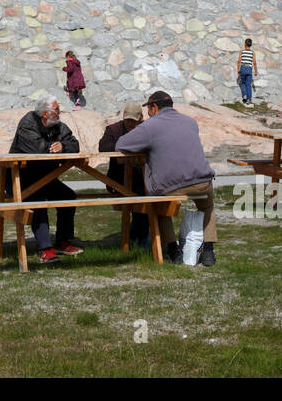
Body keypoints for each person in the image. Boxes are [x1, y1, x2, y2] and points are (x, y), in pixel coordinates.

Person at [115, 90, 218, 267]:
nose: (148, 114)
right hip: (202, 180)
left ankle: (173, 250)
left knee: (160, 208)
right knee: (207, 207)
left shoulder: (150, 126)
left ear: (154, 107)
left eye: (148, 109)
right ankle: (208, 251)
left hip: (171, 186)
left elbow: (121, 144)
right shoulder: (190, 122)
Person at [9, 97, 83, 262]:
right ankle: (45, 248)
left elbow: (75, 145)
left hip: (45, 179)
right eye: (56, 110)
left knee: (68, 196)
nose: (59, 113)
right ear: (45, 113)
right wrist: (56, 147)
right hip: (20, 180)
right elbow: (37, 150)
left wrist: (63, 147)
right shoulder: (27, 124)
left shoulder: (58, 125)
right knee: (38, 200)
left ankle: (63, 241)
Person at [100, 101, 148, 246]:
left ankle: (137, 236)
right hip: (118, 177)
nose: (129, 123)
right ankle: (136, 236)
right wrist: (127, 145)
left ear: (140, 119)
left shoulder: (146, 130)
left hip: (142, 176)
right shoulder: (113, 130)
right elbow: (103, 147)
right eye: (127, 119)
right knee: (138, 197)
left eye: (133, 121)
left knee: (143, 198)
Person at [236, 38, 258, 105]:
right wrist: (256, 71)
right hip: (249, 69)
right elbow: (254, 62)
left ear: (245, 44)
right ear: (250, 45)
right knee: (248, 84)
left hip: (243, 68)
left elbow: (239, 61)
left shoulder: (241, 52)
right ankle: (249, 99)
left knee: (243, 83)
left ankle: (244, 95)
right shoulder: (252, 52)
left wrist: (238, 69)